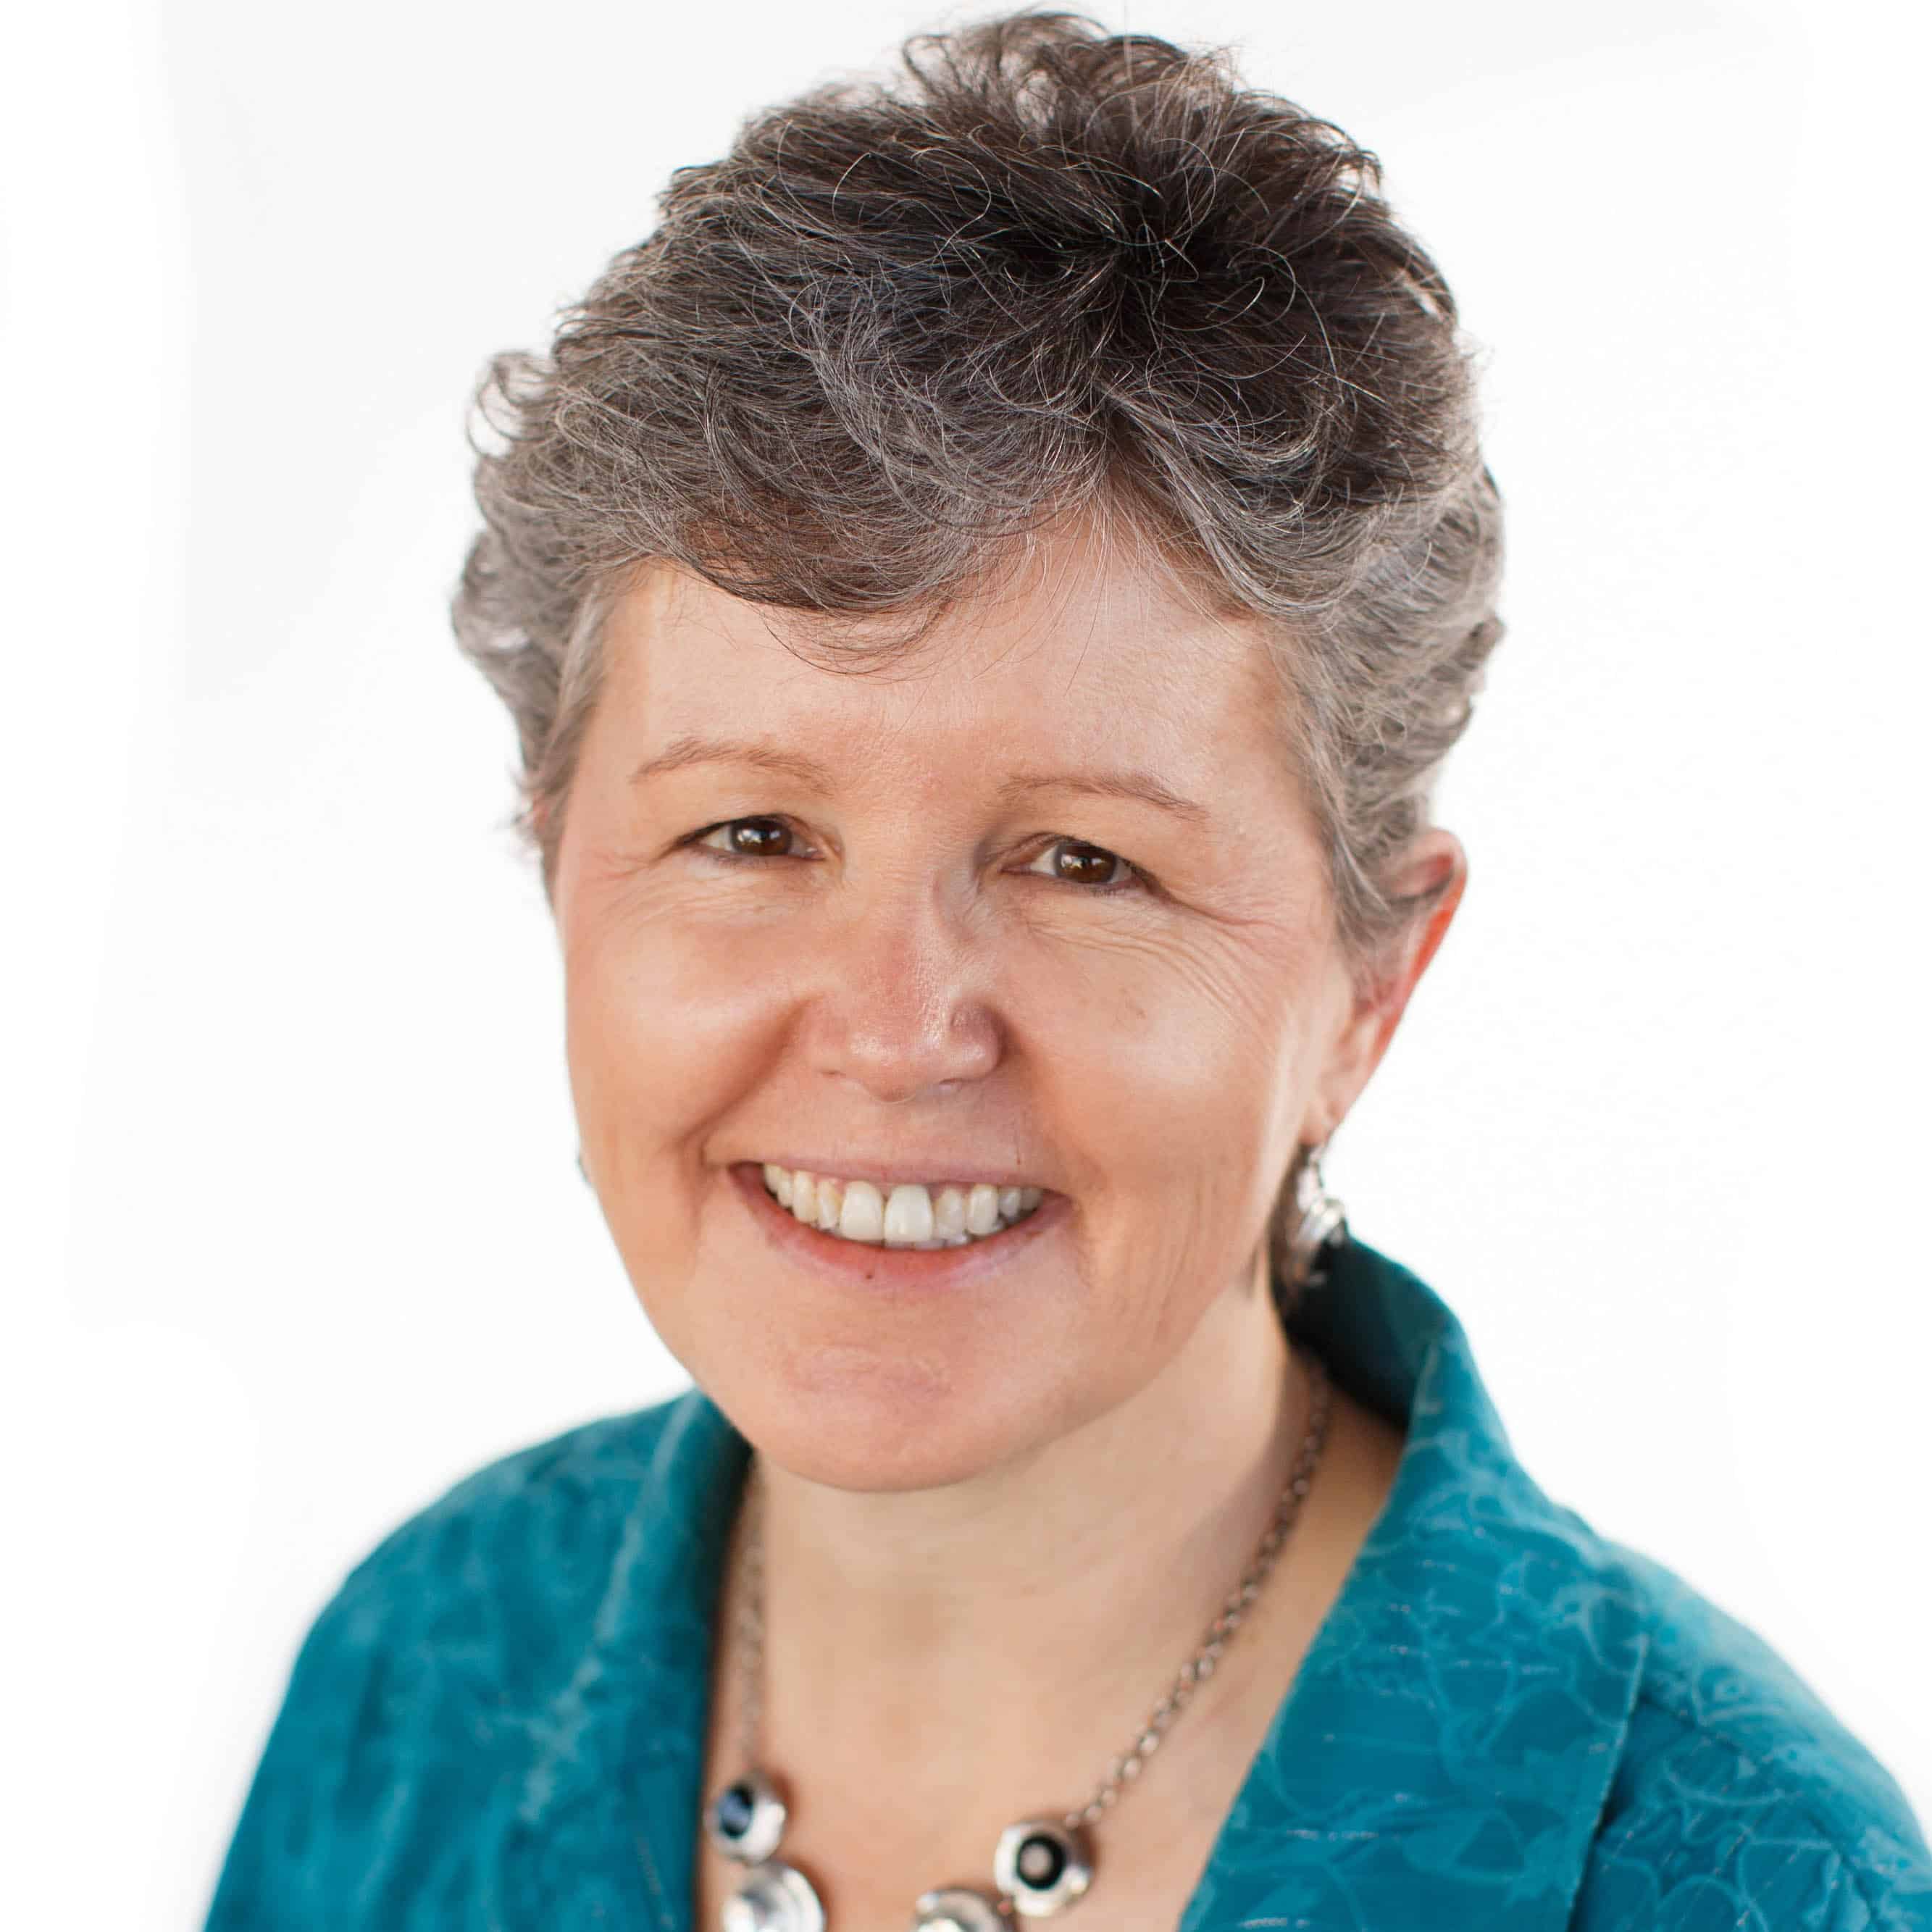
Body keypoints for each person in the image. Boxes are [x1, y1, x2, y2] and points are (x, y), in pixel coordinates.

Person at [202, 12, 1931, 1929]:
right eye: (751, 835)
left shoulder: (1740, 1878)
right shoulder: (423, 1679)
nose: (891, 1026)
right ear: (561, 866)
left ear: (1370, 986)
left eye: (1081, 863)